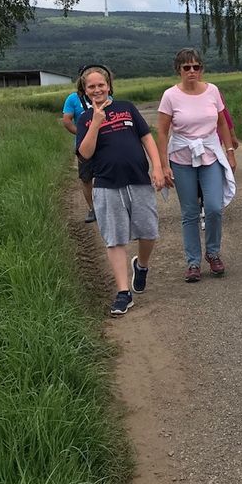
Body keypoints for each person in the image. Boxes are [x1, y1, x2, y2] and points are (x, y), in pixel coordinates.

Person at [76, 64, 165, 316]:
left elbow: (146, 137)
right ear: (84, 90)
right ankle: (123, 293)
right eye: (91, 86)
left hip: (138, 180)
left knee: (148, 232)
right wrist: (95, 123)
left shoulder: (126, 107)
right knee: (115, 238)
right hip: (106, 185)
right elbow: (84, 154)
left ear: (109, 86)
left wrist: (157, 167)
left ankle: (142, 265)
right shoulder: (85, 119)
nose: (97, 90)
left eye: (100, 85)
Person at [157, 48, 237, 283]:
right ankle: (193, 262)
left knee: (213, 207)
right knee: (190, 212)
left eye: (196, 67)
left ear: (202, 69)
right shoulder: (170, 96)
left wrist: (230, 151)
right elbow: (161, 131)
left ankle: (213, 253)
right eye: (186, 67)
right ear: (178, 70)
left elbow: (222, 123)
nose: (192, 71)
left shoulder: (212, 91)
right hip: (181, 157)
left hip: (210, 155)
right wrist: (163, 165)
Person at [62, 71, 94, 223]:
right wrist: (81, 134)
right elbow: (67, 121)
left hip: (105, 144)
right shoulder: (72, 99)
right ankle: (92, 208)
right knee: (86, 178)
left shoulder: (105, 96)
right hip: (83, 146)